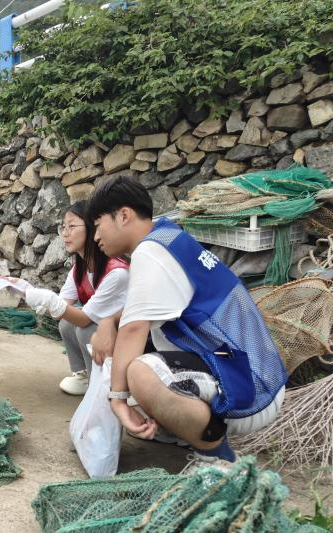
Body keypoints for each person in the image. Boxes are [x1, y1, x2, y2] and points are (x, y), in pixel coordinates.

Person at [86, 176, 286, 462]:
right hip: (244, 371)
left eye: (97, 226)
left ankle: (216, 458)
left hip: (250, 390)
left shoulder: (150, 252)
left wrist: (117, 400)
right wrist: (109, 321)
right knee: (131, 352)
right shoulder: (167, 237)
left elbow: (134, 329)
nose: (96, 237)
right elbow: (136, 312)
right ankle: (180, 428)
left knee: (142, 374)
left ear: (124, 215)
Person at [23, 201, 129, 395]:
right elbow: (60, 310)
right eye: (63, 227)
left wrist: (48, 300)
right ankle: (83, 375)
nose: (65, 233)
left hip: (131, 338)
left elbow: (83, 318)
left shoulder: (116, 272)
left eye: (72, 226)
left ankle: (104, 382)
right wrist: (24, 293)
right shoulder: (79, 267)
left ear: (92, 229)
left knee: (84, 327)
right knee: (66, 323)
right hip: (107, 328)